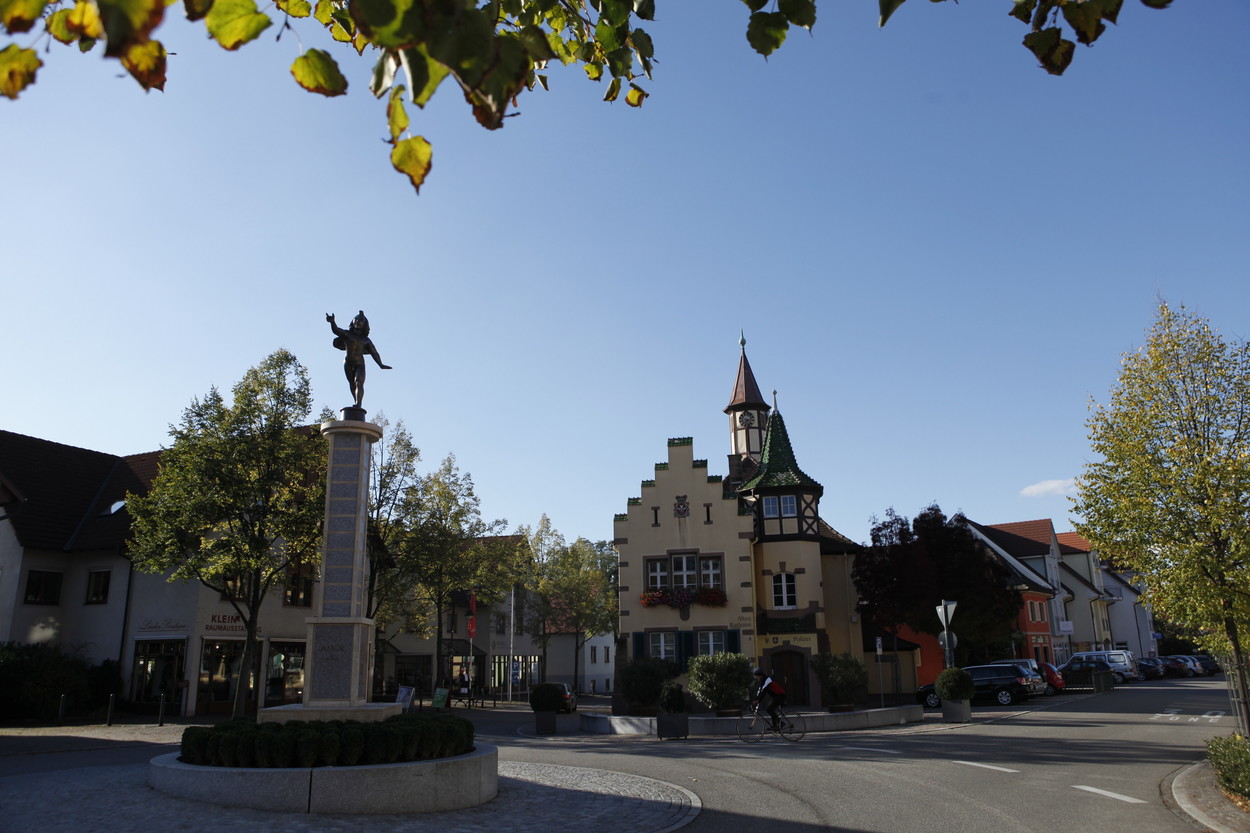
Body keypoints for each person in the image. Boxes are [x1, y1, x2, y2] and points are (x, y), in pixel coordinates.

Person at [326, 310, 392, 408]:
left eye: (361, 321)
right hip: (348, 363)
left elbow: (374, 353)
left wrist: (380, 364)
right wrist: (332, 322)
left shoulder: (366, 340)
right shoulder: (347, 334)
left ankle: (358, 404)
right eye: (356, 320)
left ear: (364, 325)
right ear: (353, 321)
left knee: (359, 382)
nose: (358, 322)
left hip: (359, 364)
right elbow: (336, 330)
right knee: (352, 383)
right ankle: (356, 403)